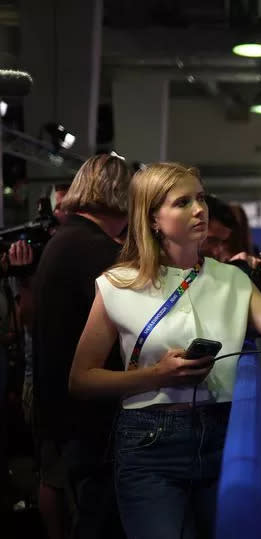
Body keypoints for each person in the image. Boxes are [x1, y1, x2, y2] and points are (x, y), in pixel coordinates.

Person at [68, 163, 261, 538]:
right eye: (182, 202)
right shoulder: (117, 284)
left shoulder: (232, 279)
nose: (199, 209)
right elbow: (80, 379)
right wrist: (157, 375)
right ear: (152, 218)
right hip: (148, 449)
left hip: (221, 436)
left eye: (199, 198)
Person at [32, 154, 131, 539]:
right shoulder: (97, 252)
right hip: (89, 416)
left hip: (61, 406)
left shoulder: (67, 241)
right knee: (99, 520)